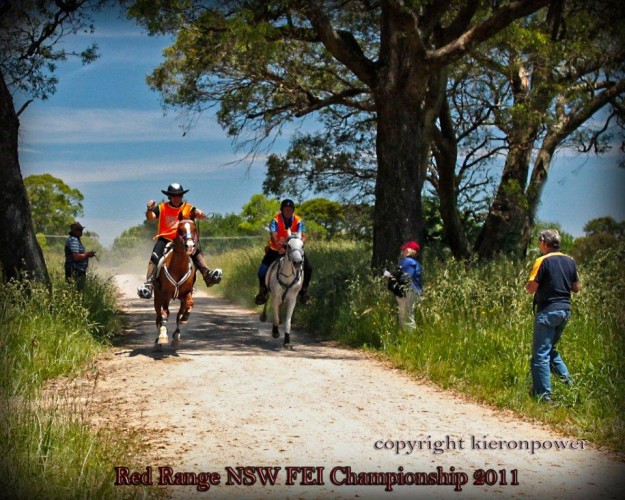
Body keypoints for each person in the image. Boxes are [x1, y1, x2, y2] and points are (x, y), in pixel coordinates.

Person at [137, 183, 222, 299]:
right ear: (169, 197)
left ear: (182, 196)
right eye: (174, 196)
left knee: (195, 252)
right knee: (155, 257)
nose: (176, 198)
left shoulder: (188, 207)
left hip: (183, 239)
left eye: (179, 195)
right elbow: (150, 217)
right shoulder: (162, 207)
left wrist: (200, 214)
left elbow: (197, 212)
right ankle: (149, 284)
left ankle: (207, 275)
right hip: (165, 238)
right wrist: (149, 209)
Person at [525, 229, 581, 403]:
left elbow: (531, 288)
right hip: (564, 310)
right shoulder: (570, 261)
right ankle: (572, 388)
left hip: (548, 311)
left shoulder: (542, 261)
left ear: (544, 242)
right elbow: (576, 288)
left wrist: (531, 286)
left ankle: (543, 396)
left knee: (540, 354)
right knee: (550, 351)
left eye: (539, 242)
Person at [254, 199, 313, 305]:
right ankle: (263, 292)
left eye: (290, 209)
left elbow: (304, 235)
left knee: (308, 268)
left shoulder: (298, 220)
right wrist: (279, 247)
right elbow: (273, 235)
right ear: (282, 210)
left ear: (293, 210)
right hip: (276, 249)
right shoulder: (275, 220)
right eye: (286, 209)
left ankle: (304, 292)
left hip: (294, 249)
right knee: (262, 271)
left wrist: (300, 243)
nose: (288, 211)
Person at [391, 241, 423, 330]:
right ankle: (406, 336)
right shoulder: (414, 262)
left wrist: (390, 275)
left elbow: (405, 277)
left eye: (404, 250)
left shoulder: (408, 261)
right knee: (405, 315)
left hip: (408, 291)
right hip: (413, 291)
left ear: (409, 251)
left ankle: (410, 336)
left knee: (406, 317)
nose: (402, 252)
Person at [64, 221, 96, 290]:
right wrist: (87, 255)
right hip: (75, 270)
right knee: (76, 290)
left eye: (81, 229)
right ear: (74, 231)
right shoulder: (73, 240)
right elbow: (76, 257)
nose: (81, 231)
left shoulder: (76, 240)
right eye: (79, 229)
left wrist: (87, 255)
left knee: (75, 291)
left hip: (77, 270)